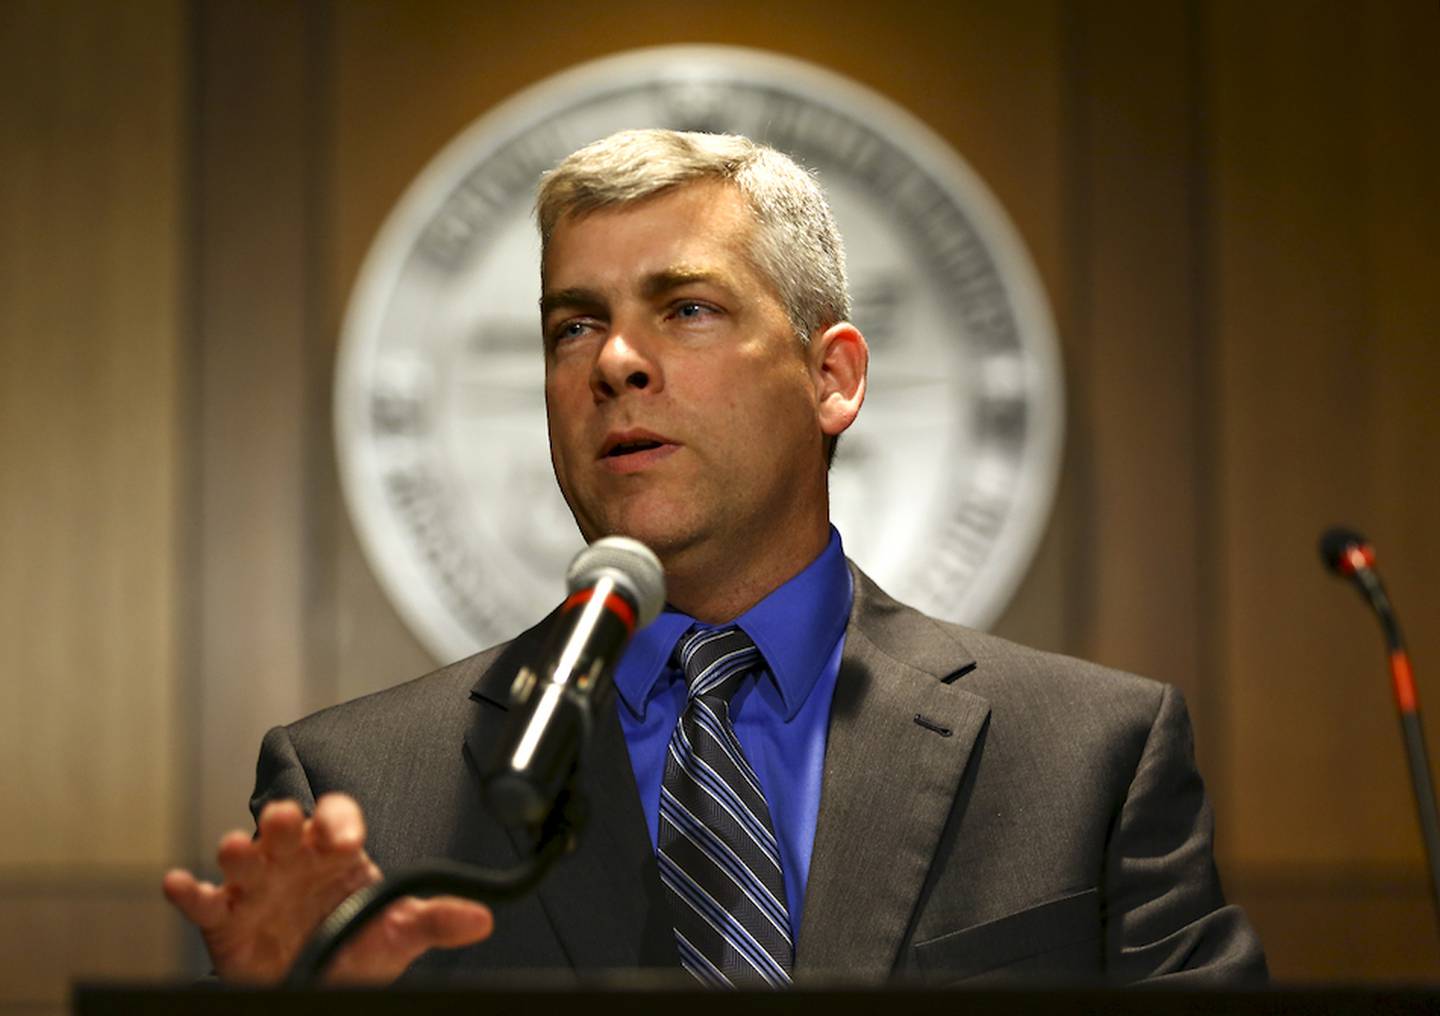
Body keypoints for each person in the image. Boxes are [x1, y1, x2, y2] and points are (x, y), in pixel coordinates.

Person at [163, 129, 1267, 987]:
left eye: (685, 308)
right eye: (573, 325)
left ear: (832, 377)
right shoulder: (360, 788)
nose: (617, 362)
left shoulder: (1089, 763)